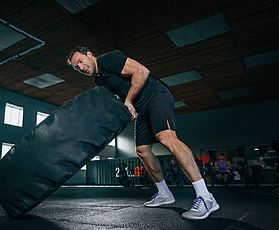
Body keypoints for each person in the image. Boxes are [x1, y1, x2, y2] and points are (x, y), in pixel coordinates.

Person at [67, 47, 219, 220]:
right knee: (142, 150)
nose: (80, 67)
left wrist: (129, 100)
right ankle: (164, 193)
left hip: (155, 96)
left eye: (80, 61)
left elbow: (141, 71)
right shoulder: (99, 80)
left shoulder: (107, 60)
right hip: (141, 108)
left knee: (166, 138)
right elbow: (120, 97)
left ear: (89, 54)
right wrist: (127, 109)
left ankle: (206, 197)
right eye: (76, 67)